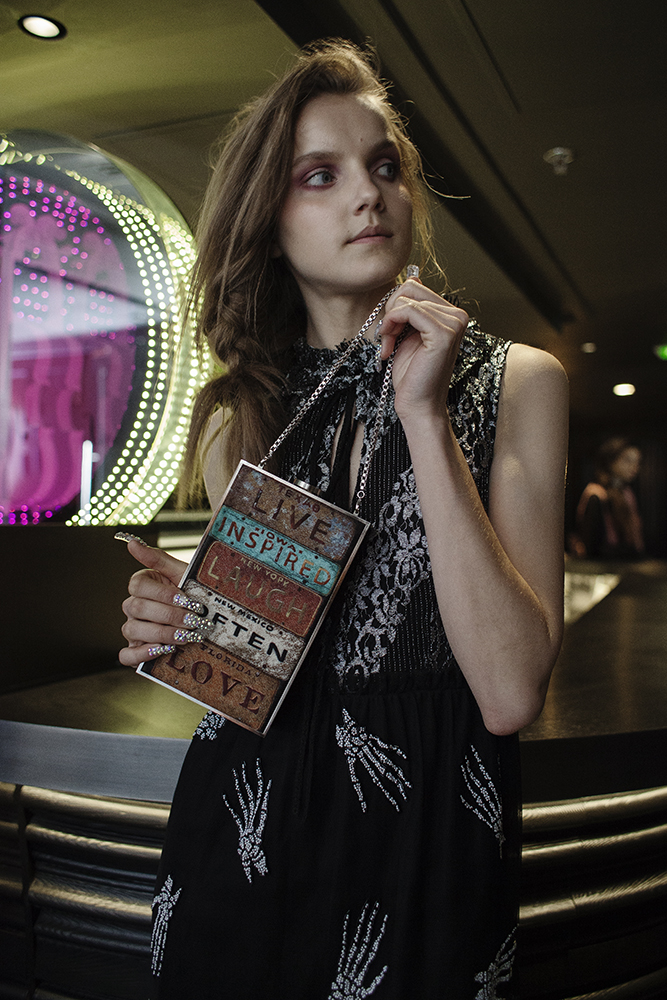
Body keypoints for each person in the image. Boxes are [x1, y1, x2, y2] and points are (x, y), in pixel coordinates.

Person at [117, 39, 568, 999]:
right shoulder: (239, 410)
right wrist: (185, 622)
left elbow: (508, 693)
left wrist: (423, 415)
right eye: (319, 175)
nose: (369, 194)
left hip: (426, 832)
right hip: (244, 821)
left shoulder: (517, 381)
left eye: (385, 166)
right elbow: (259, 673)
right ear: (268, 219)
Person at [574, 437, 644, 559]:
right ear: (611, 461)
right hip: (604, 562)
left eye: (637, 463)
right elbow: (592, 546)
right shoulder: (596, 494)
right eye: (627, 461)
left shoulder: (627, 493)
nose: (634, 467)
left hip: (625, 561)